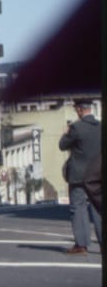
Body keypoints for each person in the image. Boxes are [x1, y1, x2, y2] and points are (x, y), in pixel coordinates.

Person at [59, 99, 102, 255]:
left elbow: (62, 145)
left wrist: (66, 132)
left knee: (78, 208)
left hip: (79, 175)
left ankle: (81, 245)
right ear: (89, 109)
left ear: (79, 110)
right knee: (99, 208)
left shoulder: (76, 128)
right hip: (98, 174)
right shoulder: (100, 127)